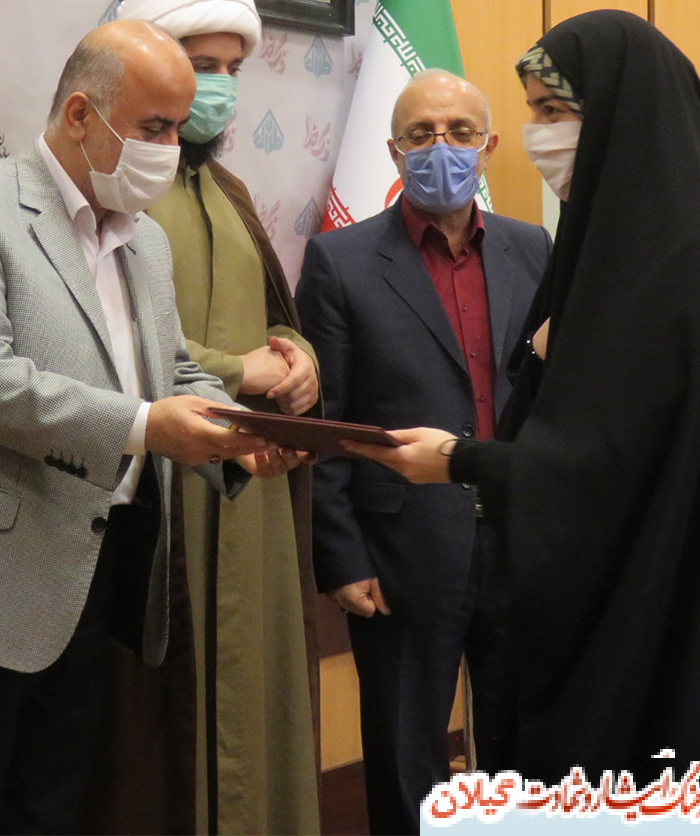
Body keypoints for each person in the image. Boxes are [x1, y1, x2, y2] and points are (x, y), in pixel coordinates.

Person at [350, 10, 700, 787]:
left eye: (554, 110)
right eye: (533, 111)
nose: (538, 133)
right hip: (680, 597)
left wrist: (461, 461)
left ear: (619, 110)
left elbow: (603, 470)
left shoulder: (684, 260)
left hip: (686, 629)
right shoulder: (656, 235)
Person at [0, 21, 287, 835]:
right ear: (82, 115)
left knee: (51, 813)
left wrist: (238, 435)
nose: (171, 148)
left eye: (179, 127)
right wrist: (145, 426)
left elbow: (170, 370)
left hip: (94, 576)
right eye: (154, 127)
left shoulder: (146, 241)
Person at [296, 70, 552, 834]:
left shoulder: (532, 248)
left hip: (521, 547)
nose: (441, 147)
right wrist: (340, 556)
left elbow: (548, 396)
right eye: (420, 134)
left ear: (489, 146)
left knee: (524, 750)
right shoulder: (338, 261)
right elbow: (328, 423)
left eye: (460, 132)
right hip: (399, 554)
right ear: (394, 151)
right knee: (407, 761)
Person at [96, 0, 321, 835]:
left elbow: (274, 318)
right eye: (201, 65)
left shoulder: (227, 192)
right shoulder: (114, 187)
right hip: (161, 486)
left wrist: (296, 360)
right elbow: (101, 334)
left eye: (232, 68)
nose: (218, 87)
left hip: (248, 493)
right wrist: (238, 372)